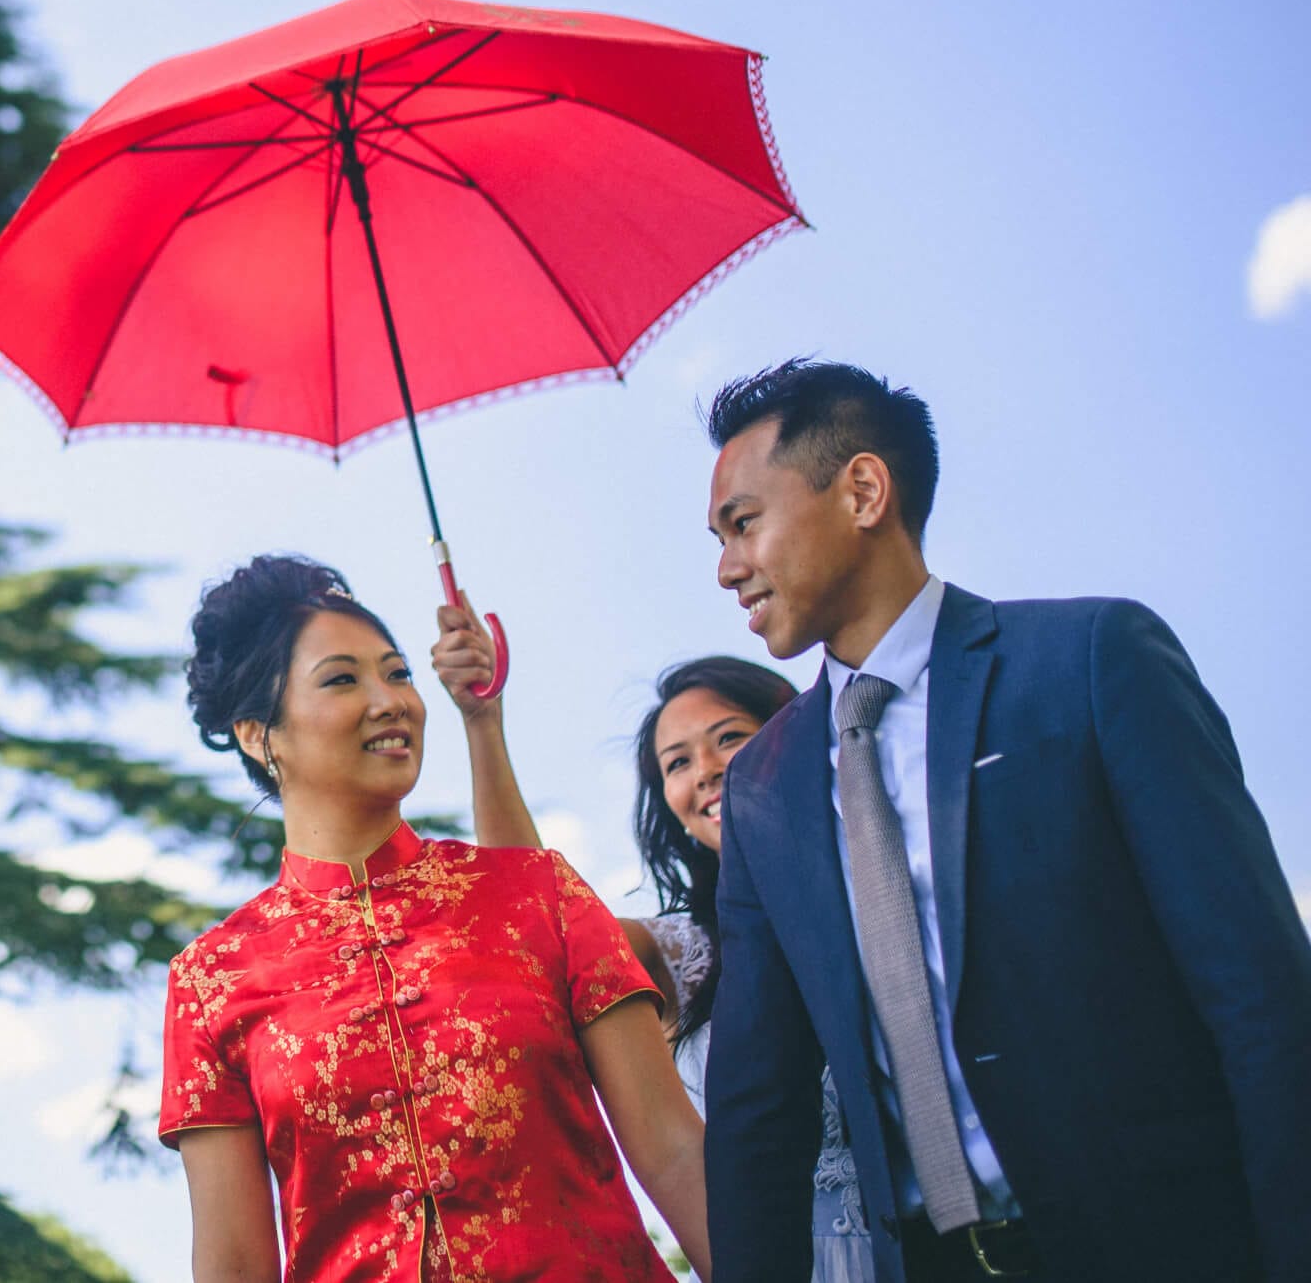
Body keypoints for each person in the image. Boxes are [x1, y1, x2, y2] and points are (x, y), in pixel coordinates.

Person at [699, 359, 1311, 1283]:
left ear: (863, 489)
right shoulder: (762, 790)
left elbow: (1261, 996)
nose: (726, 567)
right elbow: (757, 1112)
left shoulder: (1094, 662)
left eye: (743, 523)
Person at [158, 555, 709, 1283]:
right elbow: (233, 1264)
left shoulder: (537, 891)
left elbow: (674, 1152)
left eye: (398, 672)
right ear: (260, 734)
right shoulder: (211, 979)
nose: (390, 700)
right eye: (343, 679)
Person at [436, 634, 873, 1283]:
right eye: (676, 762)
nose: (705, 770)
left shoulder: (892, 895)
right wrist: (482, 723)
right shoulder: (682, 951)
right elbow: (535, 915)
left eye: (728, 737)